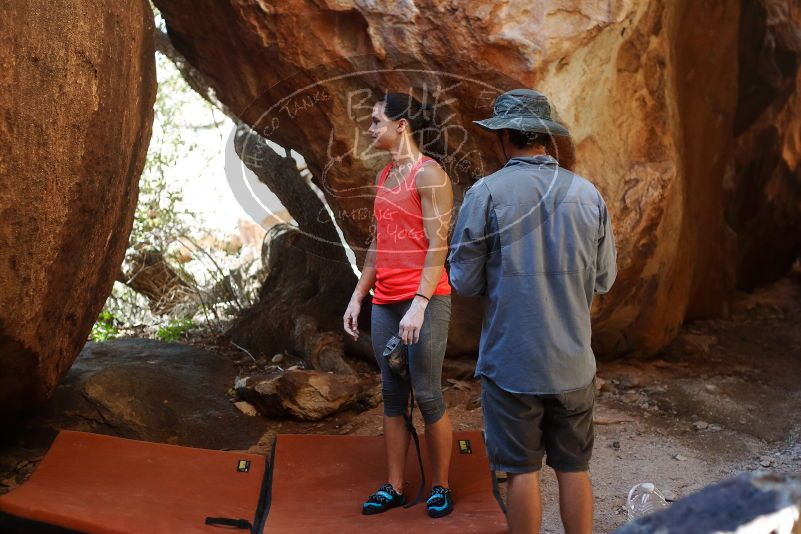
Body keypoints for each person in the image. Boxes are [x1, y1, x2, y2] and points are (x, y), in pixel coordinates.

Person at [448, 89, 617, 534]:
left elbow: (464, 281)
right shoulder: (588, 194)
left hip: (512, 364)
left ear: (503, 137)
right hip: (574, 364)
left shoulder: (485, 193)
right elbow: (604, 278)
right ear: (545, 138)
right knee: (574, 469)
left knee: (521, 473)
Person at [342, 92, 455, 518]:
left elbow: (438, 244)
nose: (371, 129)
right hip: (386, 300)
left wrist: (420, 303)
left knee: (426, 393)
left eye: (376, 121)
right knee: (391, 394)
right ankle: (394, 484)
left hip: (423, 300)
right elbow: (378, 242)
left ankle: (440, 486)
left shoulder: (430, 176)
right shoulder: (386, 176)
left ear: (401, 124)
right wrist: (358, 296)